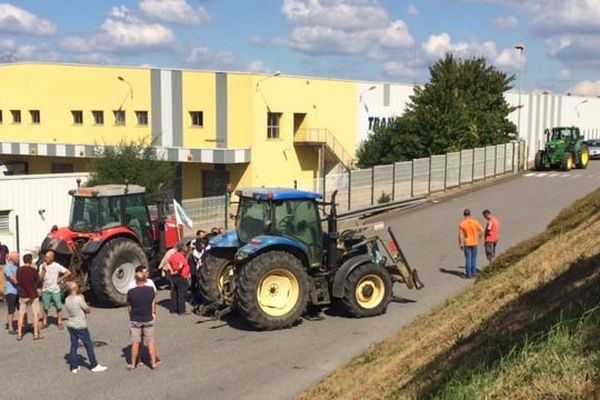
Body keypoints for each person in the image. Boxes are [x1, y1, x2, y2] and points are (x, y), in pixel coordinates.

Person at [64, 281, 107, 373]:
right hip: (80, 325)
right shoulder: (79, 299)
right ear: (75, 289)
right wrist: (86, 303)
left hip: (71, 324)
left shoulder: (67, 299)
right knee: (88, 345)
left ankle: (74, 366)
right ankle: (94, 365)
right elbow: (87, 310)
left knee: (74, 345)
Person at [127, 269, 158, 370]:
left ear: (136, 280)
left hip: (136, 319)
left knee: (135, 342)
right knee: (150, 341)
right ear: (145, 279)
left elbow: (129, 306)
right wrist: (153, 313)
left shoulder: (131, 292)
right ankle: (153, 362)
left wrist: (131, 316)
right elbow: (153, 303)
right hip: (148, 317)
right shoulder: (150, 290)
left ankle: (133, 363)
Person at [39, 250, 71, 330]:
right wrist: (43, 270)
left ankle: (59, 323)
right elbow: (40, 279)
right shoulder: (42, 266)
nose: (46, 259)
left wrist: (60, 279)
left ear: (52, 258)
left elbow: (68, 272)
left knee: (58, 306)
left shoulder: (57, 265)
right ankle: (44, 322)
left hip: (55, 290)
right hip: (45, 289)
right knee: (45, 307)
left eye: (48, 257)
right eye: (45, 257)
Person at [16, 253, 42, 340]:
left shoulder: (19, 270)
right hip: (33, 295)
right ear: (30, 260)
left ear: (23, 260)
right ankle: (35, 333)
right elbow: (38, 281)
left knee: (21, 314)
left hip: (23, 294)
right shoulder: (33, 270)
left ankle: (19, 333)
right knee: (35, 314)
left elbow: (18, 280)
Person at [458, 209, 484, 279]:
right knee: (474, 258)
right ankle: (474, 273)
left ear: (464, 215)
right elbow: (481, 230)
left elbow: (461, 235)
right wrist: (478, 238)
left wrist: (460, 243)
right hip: (475, 242)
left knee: (468, 259)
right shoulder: (475, 222)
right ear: (470, 214)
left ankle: (468, 274)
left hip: (467, 243)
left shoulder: (462, 224)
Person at [167, 242, 191, 315]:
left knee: (174, 292)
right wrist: (177, 271)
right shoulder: (181, 257)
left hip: (173, 276)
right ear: (183, 250)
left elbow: (167, 262)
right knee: (182, 294)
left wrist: (171, 270)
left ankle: (173, 309)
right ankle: (181, 310)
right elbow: (180, 266)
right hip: (181, 276)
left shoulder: (173, 256)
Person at [3, 250, 18, 333]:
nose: (19, 259)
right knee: (11, 310)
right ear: (13, 258)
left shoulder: (16, 267)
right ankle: (10, 327)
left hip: (18, 291)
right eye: (17, 257)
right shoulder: (7, 267)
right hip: (10, 292)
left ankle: (24, 325)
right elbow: (13, 280)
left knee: (21, 309)